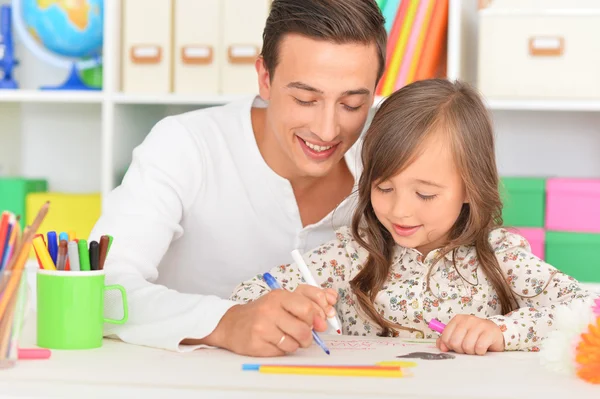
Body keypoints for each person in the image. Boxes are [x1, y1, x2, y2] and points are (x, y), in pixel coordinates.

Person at [89, 0, 387, 356]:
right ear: (265, 77)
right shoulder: (185, 146)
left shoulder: (391, 163)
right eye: (306, 99)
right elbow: (99, 287)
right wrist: (225, 322)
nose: (327, 130)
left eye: (352, 104)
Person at [230, 79, 593, 355]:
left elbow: (585, 312)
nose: (400, 210)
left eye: (425, 194)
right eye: (384, 188)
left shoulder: (500, 255)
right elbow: (246, 295)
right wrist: (286, 309)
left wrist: (501, 331)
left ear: (469, 188)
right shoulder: (351, 254)